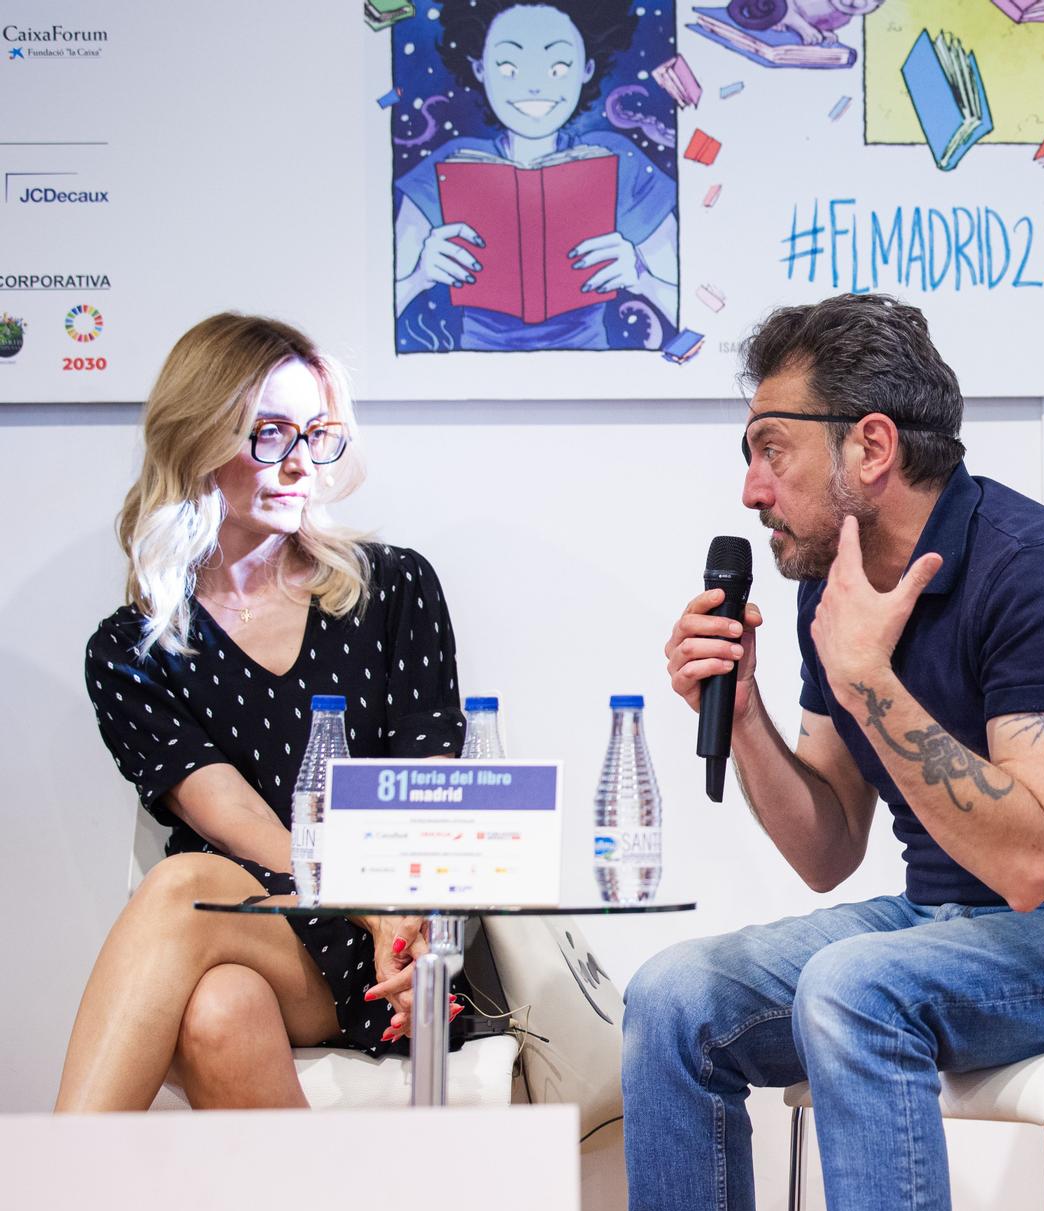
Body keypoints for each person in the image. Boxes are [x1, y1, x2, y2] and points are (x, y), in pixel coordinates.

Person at [622, 293, 1044, 1211]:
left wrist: (864, 674)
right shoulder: (830, 586)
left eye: (770, 448)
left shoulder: (1039, 570)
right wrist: (743, 708)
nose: (751, 487)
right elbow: (826, 843)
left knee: (857, 985)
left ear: (873, 446)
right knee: (672, 998)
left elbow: (1033, 859)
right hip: (948, 913)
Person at [59, 313, 468, 1112]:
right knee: (219, 1008)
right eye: (270, 434)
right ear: (198, 437)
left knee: (183, 890)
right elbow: (236, 819)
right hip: (260, 918)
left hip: (383, 942)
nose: (299, 464)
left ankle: (41, 1210)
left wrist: (398, 916)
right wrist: (364, 895)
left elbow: (432, 800)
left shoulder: (396, 590)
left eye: (317, 434)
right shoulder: (131, 651)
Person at [393, 0, 680, 349]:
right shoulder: (447, 168)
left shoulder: (621, 162)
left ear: (587, 68)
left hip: (597, 366)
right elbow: (378, 307)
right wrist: (422, 275)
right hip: (472, 369)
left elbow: (686, 303)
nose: (533, 86)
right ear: (480, 68)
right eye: (509, 67)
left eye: (558, 67)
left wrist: (639, 278)